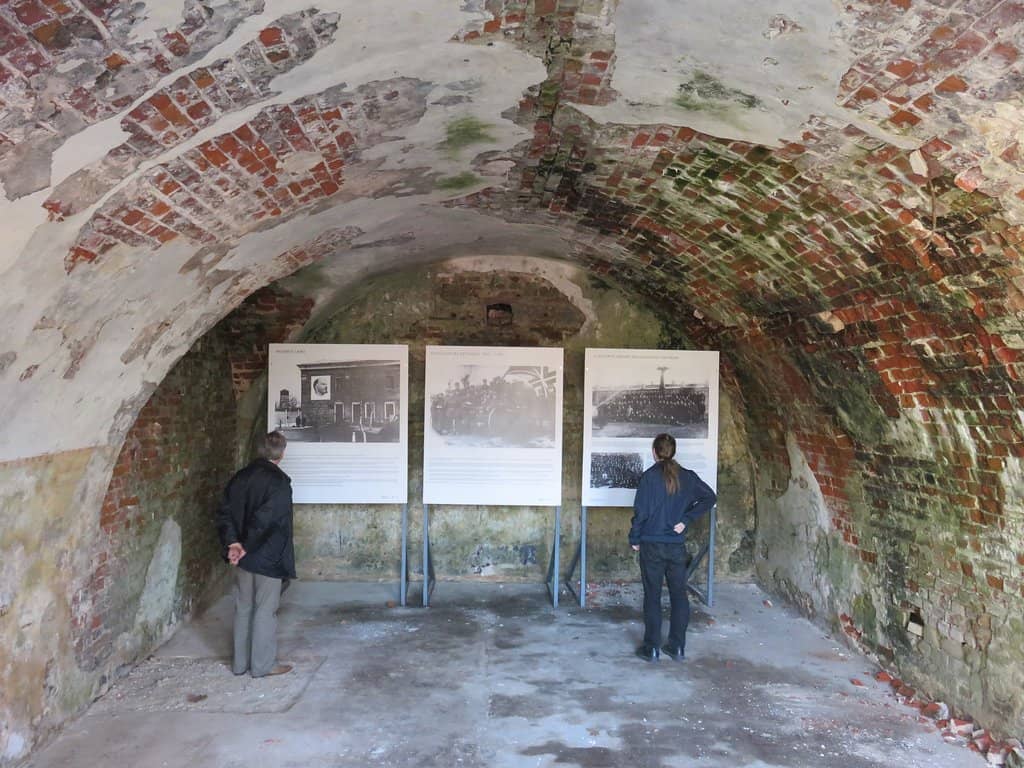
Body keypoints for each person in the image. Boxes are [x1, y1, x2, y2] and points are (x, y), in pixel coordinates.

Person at [629, 433, 717, 662]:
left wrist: (634, 538)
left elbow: (641, 512)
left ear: (654, 452)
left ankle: (652, 648)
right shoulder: (687, 477)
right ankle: (677, 647)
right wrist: (687, 519)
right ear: (673, 451)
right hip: (676, 546)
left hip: (652, 544)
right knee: (679, 595)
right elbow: (710, 498)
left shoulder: (648, 478)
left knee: (653, 596)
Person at [215, 431, 296, 677]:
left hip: (242, 556)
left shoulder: (239, 478)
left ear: (258, 450)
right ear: (282, 453)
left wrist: (234, 544)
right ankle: (263, 666)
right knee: (264, 610)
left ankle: (240, 665)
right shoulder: (279, 482)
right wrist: (246, 545)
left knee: (243, 607)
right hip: (267, 556)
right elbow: (266, 521)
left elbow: (224, 513)